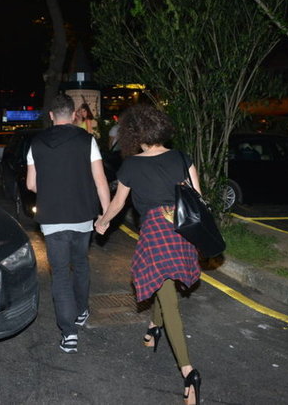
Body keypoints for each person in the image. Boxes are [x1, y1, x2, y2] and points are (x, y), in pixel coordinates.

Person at [95, 104, 202, 404]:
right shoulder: (182, 158)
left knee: (169, 302)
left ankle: (188, 372)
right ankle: (154, 329)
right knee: (163, 284)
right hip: (181, 229)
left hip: (156, 234)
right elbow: (198, 198)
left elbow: (118, 205)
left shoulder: (131, 166)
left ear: (134, 134)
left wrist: (102, 223)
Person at [26, 94, 110, 354]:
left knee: (60, 274)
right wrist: (106, 215)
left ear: (51, 115)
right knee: (81, 263)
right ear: (74, 115)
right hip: (82, 215)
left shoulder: (36, 142)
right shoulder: (87, 140)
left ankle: (69, 333)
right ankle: (82, 310)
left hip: (52, 218)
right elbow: (100, 180)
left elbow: (31, 184)